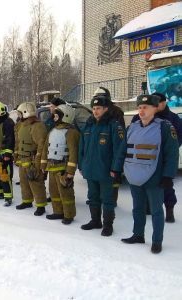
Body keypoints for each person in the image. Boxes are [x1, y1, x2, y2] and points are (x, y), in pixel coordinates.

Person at [118, 94, 179, 254]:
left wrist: (168, 176)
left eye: (145, 107)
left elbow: (172, 154)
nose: (141, 110)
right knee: (137, 208)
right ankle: (138, 235)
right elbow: (122, 151)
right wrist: (117, 170)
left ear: (154, 108)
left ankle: (157, 241)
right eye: (139, 107)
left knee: (157, 210)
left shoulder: (165, 127)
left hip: (154, 177)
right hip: (134, 175)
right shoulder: (132, 127)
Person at [130, 92, 182, 223]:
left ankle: (169, 209)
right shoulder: (139, 117)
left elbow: (179, 136)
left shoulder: (173, 118)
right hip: (145, 158)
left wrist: (170, 148)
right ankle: (148, 206)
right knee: (145, 182)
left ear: (163, 104)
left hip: (163, 159)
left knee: (166, 185)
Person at [78, 93, 124, 235]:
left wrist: (115, 169)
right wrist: (81, 166)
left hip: (105, 170)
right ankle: (95, 221)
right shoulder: (88, 126)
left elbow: (119, 149)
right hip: (90, 169)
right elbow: (81, 148)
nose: (95, 111)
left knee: (107, 199)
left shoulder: (113, 126)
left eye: (98, 108)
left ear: (106, 109)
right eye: (93, 108)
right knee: (93, 196)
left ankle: (108, 225)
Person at [41, 104, 80, 225]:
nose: (54, 118)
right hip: (52, 167)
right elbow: (45, 148)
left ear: (66, 116)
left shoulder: (71, 132)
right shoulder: (52, 131)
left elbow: (73, 153)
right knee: (54, 192)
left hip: (63, 169)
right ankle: (58, 211)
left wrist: (70, 171)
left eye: (57, 116)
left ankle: (69, 214)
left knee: (66, 193)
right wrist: (43, 165)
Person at [14, 102, 48, 215]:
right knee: (24, 182)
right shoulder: (22, 125)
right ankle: (27, 201)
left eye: (19, 113)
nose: (18, 115)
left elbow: (41, 145)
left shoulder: (37, 126)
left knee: (36, 182)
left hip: (32, 159)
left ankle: (40, 205)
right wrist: (16, 155)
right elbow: (18, 142)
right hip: (23, 158)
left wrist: (38, 161)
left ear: (25, 113)